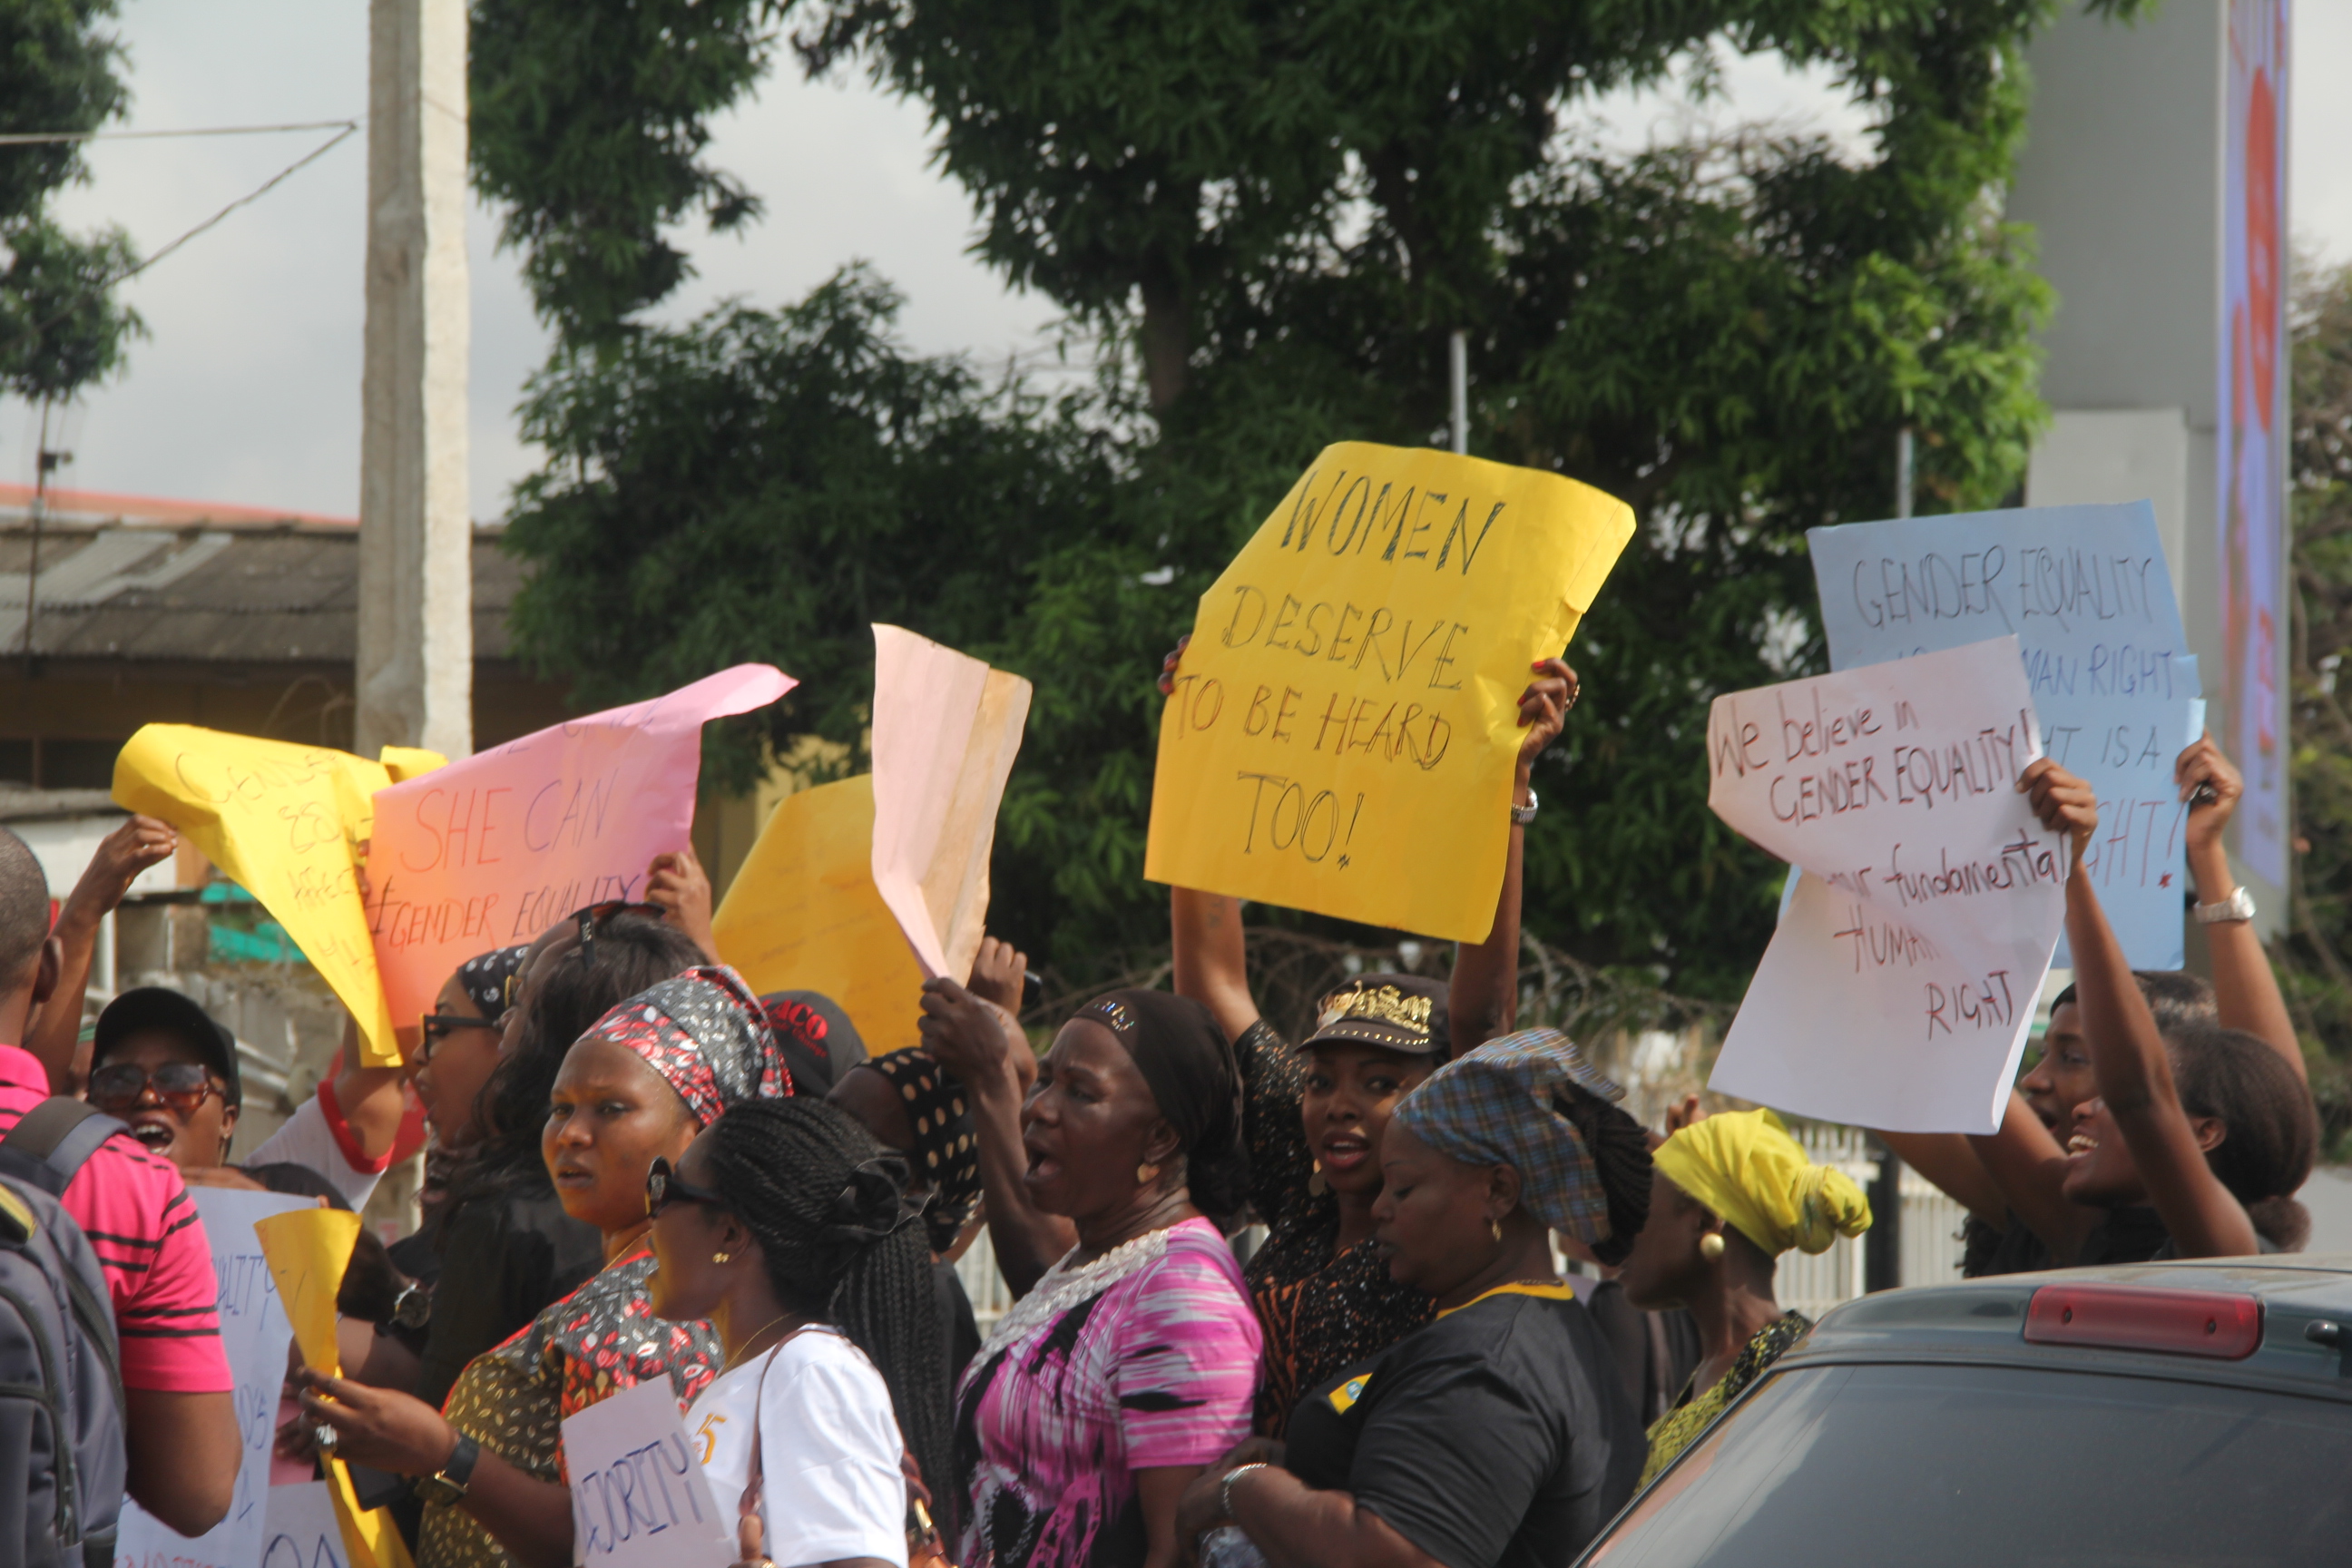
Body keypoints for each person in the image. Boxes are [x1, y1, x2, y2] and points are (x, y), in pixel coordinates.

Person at [1159, 646, 1581, 1433]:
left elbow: (1485, 1017)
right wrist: (1202, 741)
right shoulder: (1301, 1183)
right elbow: (1215, 983)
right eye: (1322, 1080)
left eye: (1382, 1083)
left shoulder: (1440, 1233)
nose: (1338, 1106)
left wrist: (1508, 791)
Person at [287, 965, 788, 1568]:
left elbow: (636, 1547)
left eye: (611, 1108)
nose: (572, 1133)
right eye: (560, 1108)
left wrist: (445, 1455)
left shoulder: (639, 1316)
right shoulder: (648, 1288)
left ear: (702, 1132)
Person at [1176, 1030, 1654, 1568]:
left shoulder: (1485, 1366)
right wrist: (1297, 1469)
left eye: (1401, 1188)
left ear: (1498, 1191)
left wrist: (1242, 1490)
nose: (1380, 1207)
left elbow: (1393, 1554)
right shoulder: (1541, 1326)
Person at [1880, 734, 2304, 1273]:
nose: (2035, 1081)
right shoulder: (2074, 1223)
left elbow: (2254, 1099)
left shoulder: (2221, 1258)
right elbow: (1947, 1028)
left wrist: (2076, 870)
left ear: (2204, 1131)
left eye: (2081, 1057)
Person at [953, 989, 1261, 1568]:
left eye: (1080, 1092)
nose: (1039, 1108)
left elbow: (1180, 1550)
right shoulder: (1094, 1262)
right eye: (1044, 1080)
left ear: (1160, 1138)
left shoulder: (1182, 1294)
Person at [0, 827, 240, 1537]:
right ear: (47, 971)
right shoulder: (132, 1186)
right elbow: (197, 1493)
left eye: (179, 1081)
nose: (150, 1096)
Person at [415, 907, 704, 1413]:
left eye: (524, 1004)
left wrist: (446, 1459)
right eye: (563, 1111)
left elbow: (613, 1492)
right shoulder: (720, 1250)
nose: (506, 1030)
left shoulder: (510, 1221)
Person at [649, 1097, 953, 1565]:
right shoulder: (759, 1374)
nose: (650, 1220)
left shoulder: (813, 1369)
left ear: (730, 1234)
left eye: (666, 1190)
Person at [1617, 1106, 1871, 1485]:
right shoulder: (1721, 1366)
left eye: (1642, 1212)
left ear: (1705, 1220)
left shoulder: (1782, 1370)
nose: (1624, 1233)